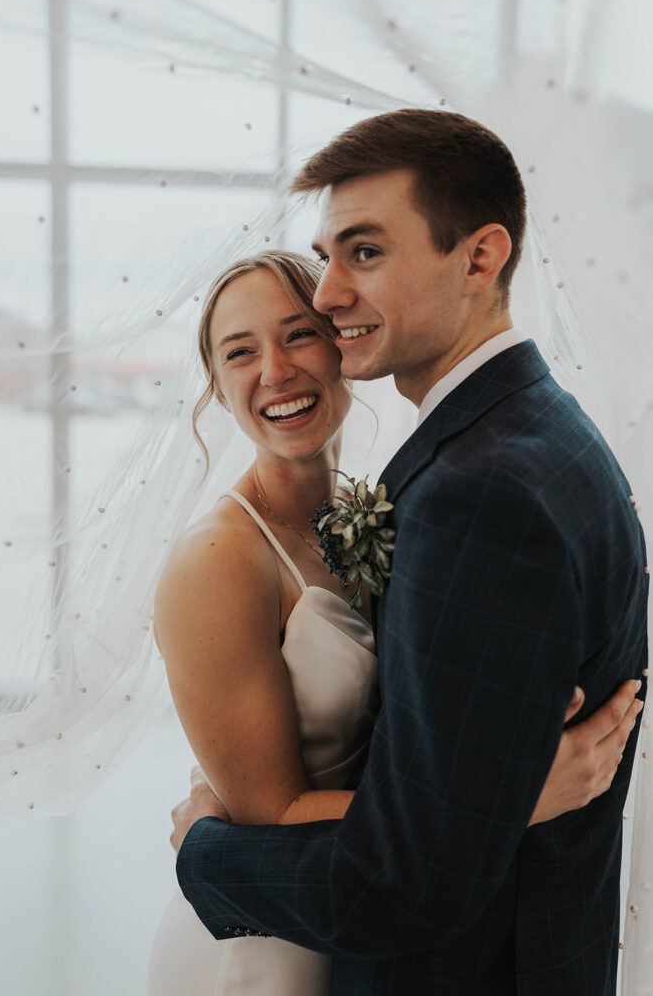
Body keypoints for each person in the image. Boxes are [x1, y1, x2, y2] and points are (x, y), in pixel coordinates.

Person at [168, 111, 649, 995]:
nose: (329, 296)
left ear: (478, 257)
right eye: (329, 256)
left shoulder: (475, 490)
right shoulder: (540, 434)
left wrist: (203, 855)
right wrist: (511, 801)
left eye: (365, 252)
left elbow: (404, 880)